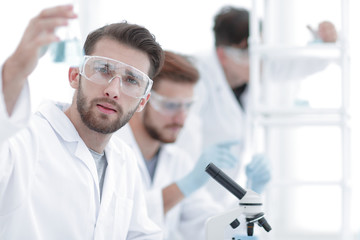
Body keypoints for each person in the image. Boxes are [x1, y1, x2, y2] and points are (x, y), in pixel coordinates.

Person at [0, 5, 165, 239]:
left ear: (142, 101)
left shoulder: (124, 159)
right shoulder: (26, 140)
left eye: (131, 80)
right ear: (75, 75)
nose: (113, 90)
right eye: (103, 70)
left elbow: (139, 233)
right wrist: (13, 72)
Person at [176, 6, 338, 207]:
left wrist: (324, 44)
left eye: (259, 51)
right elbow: (181, 133)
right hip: (185, 191)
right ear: (223, 54)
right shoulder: (198, 75)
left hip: (217, 196)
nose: (258, 61)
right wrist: (188, 179)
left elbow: (297, 64)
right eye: (247, 52)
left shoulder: (252, 69)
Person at [115, 50, 239, 239]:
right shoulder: (110, 151)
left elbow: (207, 224)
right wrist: (183, 187)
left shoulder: (178, 160)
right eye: (171, 105)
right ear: (141, 99)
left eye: (188, 106)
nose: (181, 119)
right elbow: (119, 219)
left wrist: (248, 202)